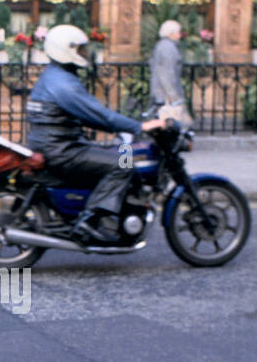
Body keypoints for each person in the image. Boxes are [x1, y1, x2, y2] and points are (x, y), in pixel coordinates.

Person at [25, 24, 164, 245]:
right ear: (65, 50)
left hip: (56, 145)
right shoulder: (63, 83)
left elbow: (90, 116)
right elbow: (100, 115)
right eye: (80, 49)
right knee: (123, 163)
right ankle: (90, 220)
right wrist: (140, 127)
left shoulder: (54, 76)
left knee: (108, 155)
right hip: (62, 151)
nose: (84, 54)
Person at [149, 19, 190, 122]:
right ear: (171, 33)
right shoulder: (168, 48)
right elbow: (166, 73)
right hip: (165, 94)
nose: (179, 35)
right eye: (177, 32)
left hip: (161, 92)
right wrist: (173, 95)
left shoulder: (162, 45)